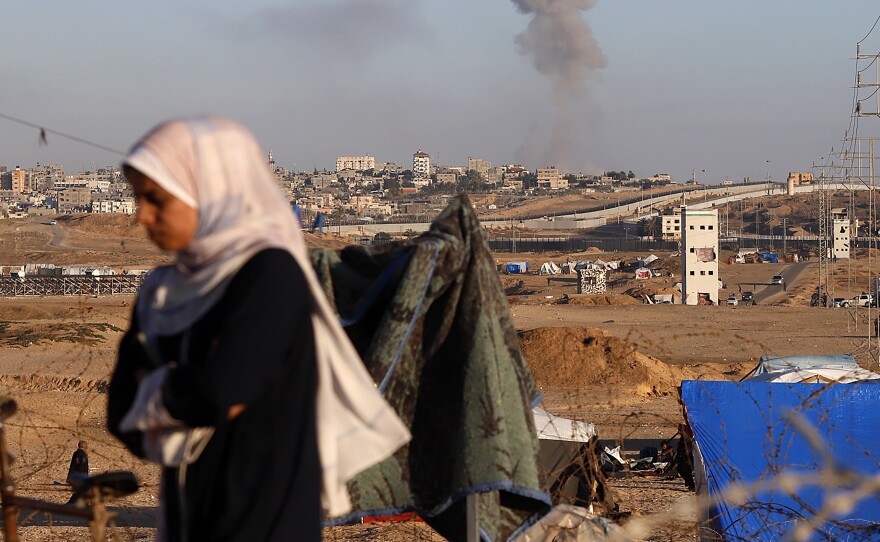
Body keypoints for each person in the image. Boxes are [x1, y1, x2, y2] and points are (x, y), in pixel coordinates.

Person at [107, 116, 408, 541]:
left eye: (156, 199)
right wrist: (188, 393)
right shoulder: (163, 294)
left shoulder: (270, 274)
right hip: (187, 522)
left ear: (211, 191)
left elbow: (222, 389)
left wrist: (154, 390)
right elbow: (122, 418)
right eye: (138, 199)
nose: (142, 216)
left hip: (266, 522)